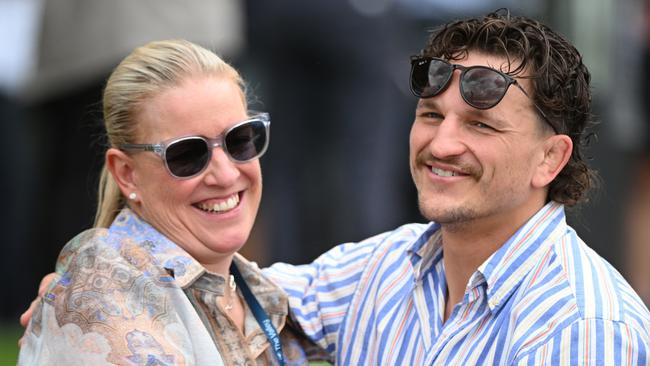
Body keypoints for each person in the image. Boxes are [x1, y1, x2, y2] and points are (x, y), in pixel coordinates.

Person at [22, 10, 650, 364]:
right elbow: (229, 296)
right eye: (431, 116)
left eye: (481, 125)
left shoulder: (583, 326)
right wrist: (100, 282)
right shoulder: (385, 270)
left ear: (551, 159)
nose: (443, 143)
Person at [18, 39, 324, 365]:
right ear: (127, 173)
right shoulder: (100, 293)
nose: (224, 174)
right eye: (187, 155)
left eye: (239, 140)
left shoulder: (256, 291)